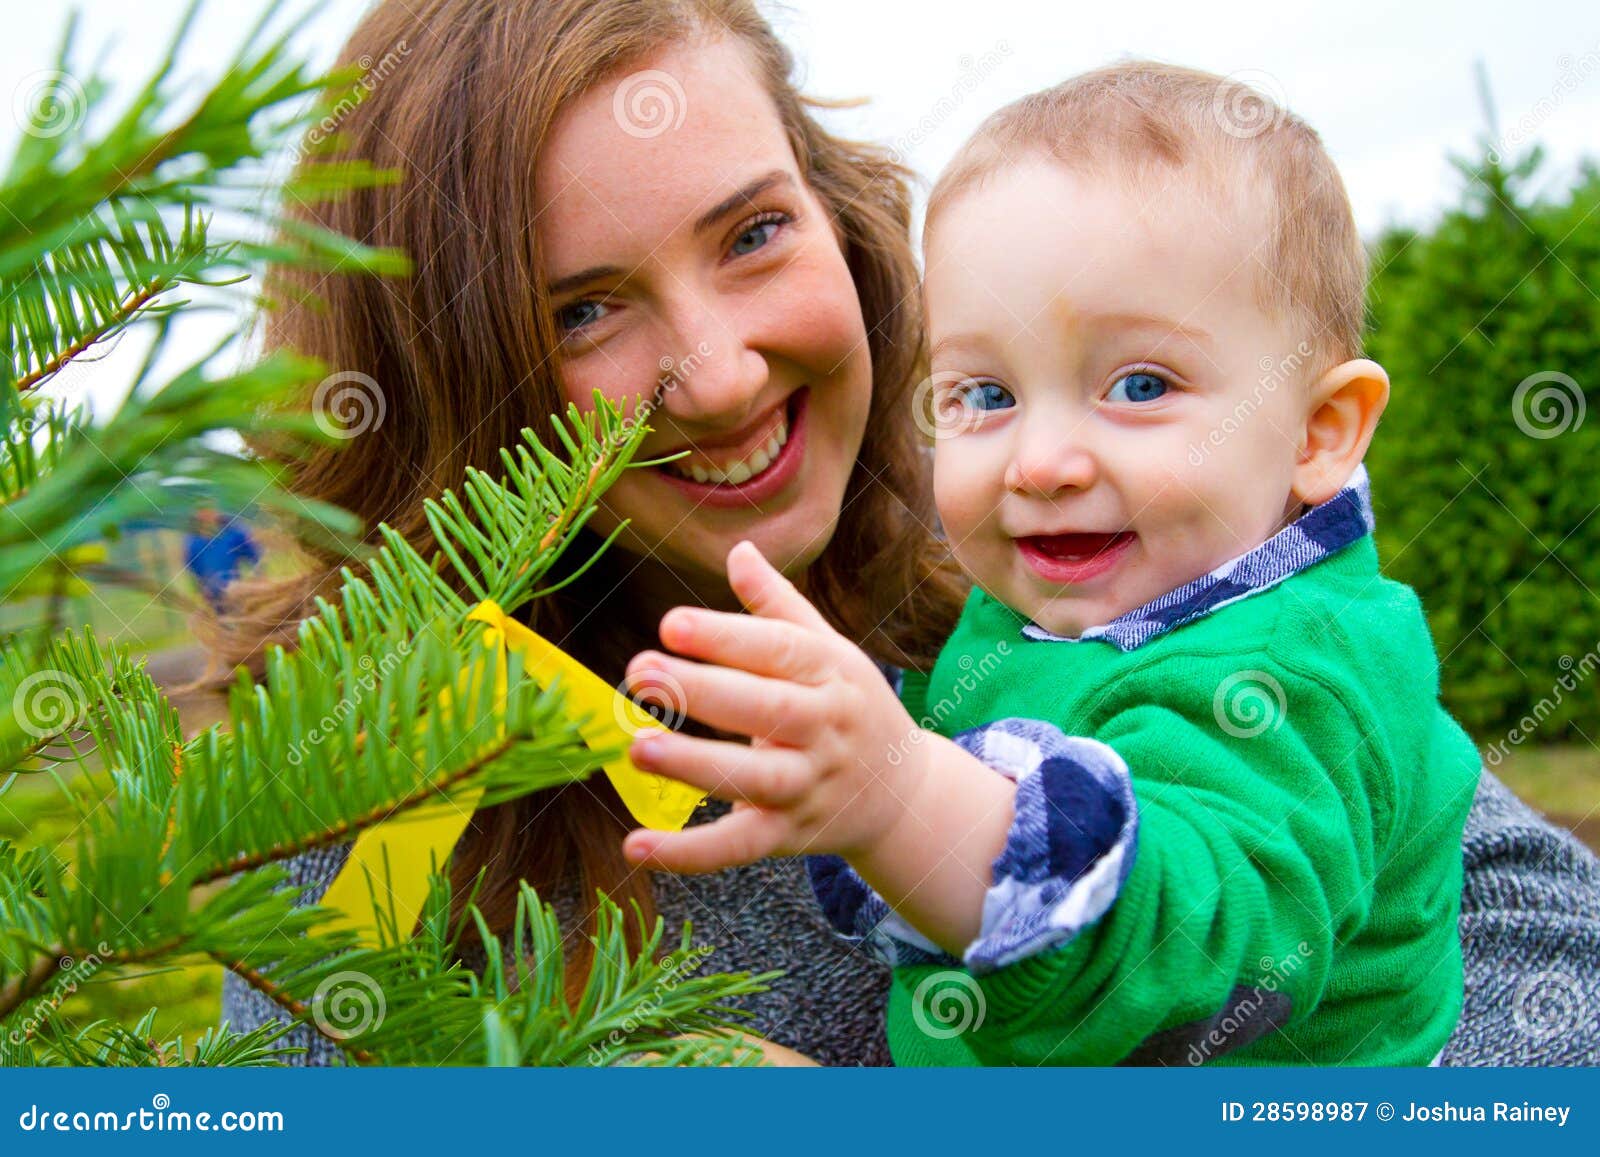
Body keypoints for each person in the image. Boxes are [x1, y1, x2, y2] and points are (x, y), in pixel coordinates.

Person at [214, 0, 1600, 1067]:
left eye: (752, 233)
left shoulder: (1060, 577)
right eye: (582, 310)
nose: (723, 373)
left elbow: (1545, 961)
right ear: (450, 383)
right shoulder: (378, 809)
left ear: (839, 218)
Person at [618, 63, 1484, 1065]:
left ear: (1316, 432)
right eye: (983, 395)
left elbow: (1197, 942)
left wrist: (903, 798)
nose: (1039, 463)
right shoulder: (1054, 590)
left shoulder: (1301, 665)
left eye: (1140, 383)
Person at [183, 507, 260, 612]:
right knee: (222, 621)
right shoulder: (193, 541)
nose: (207, 514)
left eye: (209, 510)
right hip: (212, 593)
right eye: (202, 511)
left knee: (239, 615)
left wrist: (258, 574)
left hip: (233, 588)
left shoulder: (232, 533)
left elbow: (252, 553)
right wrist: (200, 589)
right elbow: (193, 567)